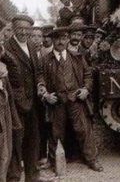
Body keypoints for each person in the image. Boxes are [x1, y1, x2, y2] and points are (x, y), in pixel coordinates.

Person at [37, 26, 103, 173]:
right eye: (58, 39)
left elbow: (88, 75)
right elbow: (40, 79)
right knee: (56, 133)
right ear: (53, 40)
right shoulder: (45, 59)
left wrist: (86, 89)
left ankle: (92, 159)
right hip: (57, 101)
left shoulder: (77, 57)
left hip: (75, 99)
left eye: (64, 38)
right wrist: (46, 95)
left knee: (83, 130)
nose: (61, 42)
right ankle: (54, 162)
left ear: (67, 40)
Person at [3, 14, 47, 182]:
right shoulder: (6, 48)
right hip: (15, 104)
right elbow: (5, 78)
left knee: (33, 140)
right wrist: (17, 97)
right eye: (20, 28)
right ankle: (13, 177)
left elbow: (39, 72)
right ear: (13, 29)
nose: (23, 32)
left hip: (33, 103)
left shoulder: (31, 46)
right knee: (16, 142)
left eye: (27, 29)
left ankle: (32, 176)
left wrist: (41, 85)